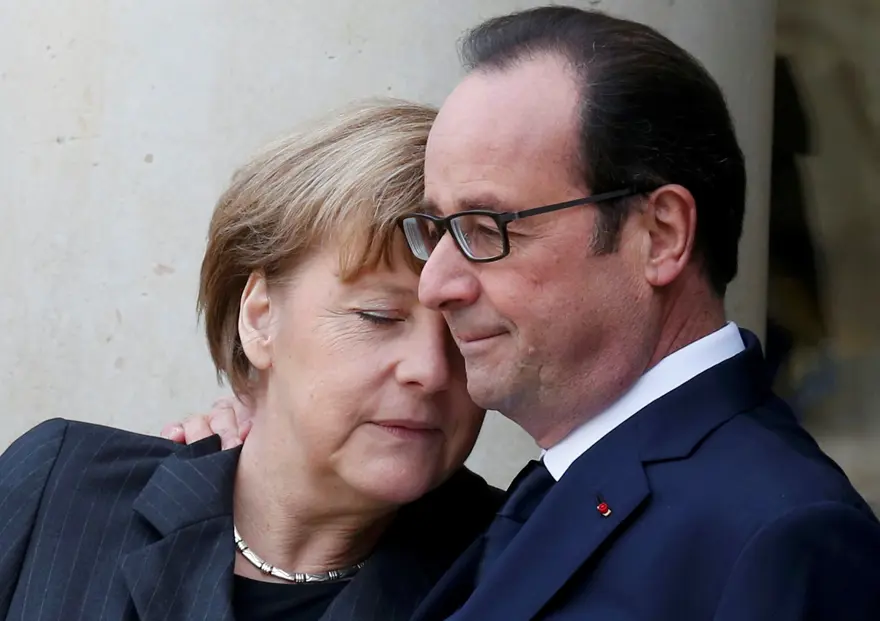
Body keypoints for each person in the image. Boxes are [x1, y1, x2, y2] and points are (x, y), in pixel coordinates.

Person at [172, 6, 880, 621]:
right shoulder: (561, 486)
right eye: (437, 230)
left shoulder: (782, 535)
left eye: (486, 228)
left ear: (660, 235)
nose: (437, 283)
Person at [0, 99, 500, 621]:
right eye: (379, 316)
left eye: (466, 329)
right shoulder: (57, 489)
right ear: (260, 316)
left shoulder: (514, 570)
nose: (431, 370)